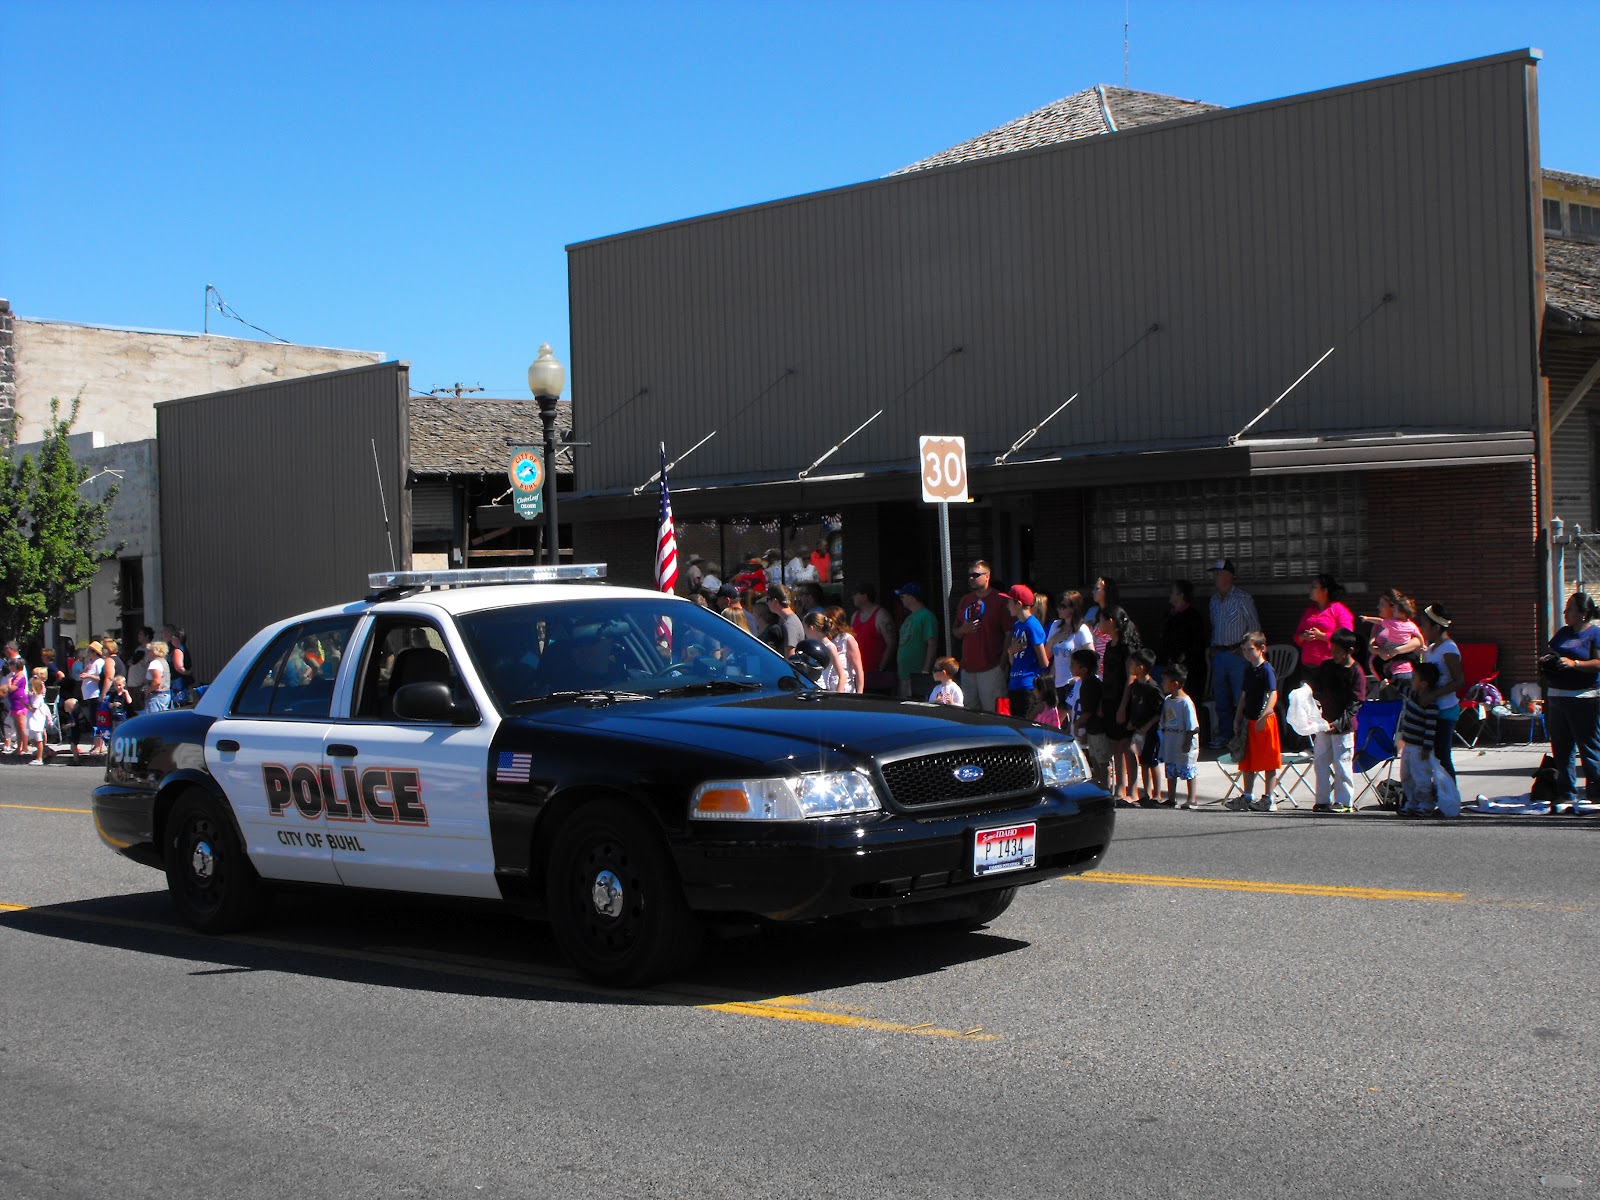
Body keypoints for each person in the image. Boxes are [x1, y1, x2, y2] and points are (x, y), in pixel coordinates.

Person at [1541, 590, 1600, 814]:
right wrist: (1548, 661)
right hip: (1557, 697)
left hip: (1584, 698)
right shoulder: (1563, 633)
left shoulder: (1595, 633)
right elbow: (1552, 651)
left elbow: (1598, 663)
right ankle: (1566, 793)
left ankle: (1596, 792)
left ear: (1583, 614)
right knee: (1562, 749)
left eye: (1570, 609)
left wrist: (1574, 664)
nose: (1565, 613)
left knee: (1589, 748)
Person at [1309, 628, 1367, 813]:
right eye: (1332, 649)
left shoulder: (1356, 672)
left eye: (1337, 651)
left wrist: (1339, 723)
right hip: (1323, 722)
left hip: (1343, 727)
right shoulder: (1327, 667)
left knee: (1342, 763)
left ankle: (1344, 801)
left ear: (1350, 650)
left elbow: (1355, 703)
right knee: (1320, 762)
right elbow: (1316, 690)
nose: (1333, 654)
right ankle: (1322, 799)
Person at [1207, 558, 1261, 749]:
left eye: (1219, 573)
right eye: (1215, 574)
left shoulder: (1242, 598)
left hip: (1238, 654)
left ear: (1228, 576)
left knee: (1241, 697)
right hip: (1220, 655)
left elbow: (1254, 626)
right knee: (1221, 698)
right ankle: (1225, 735)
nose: (1216, 577)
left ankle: (1243, 735)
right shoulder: (1214, 600)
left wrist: (1247, 650)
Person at [1229, 632, 1283, 812]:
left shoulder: (1266, 669)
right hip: (1249, 719)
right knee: (1248, 760)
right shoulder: (1249, 670)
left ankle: (1268, 798)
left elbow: (1273, 694)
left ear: (1262, 649)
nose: (1246, 653)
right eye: (1244, 650)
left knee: (1269, 760)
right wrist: (1237, 717)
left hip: (1264, 720)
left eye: (1250, 649)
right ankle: (1247, 796)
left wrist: (1264, 716)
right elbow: (1244, 696)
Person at [953, 560, 1011, 713]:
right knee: (971, 713)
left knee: (996, 713)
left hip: (992, 667)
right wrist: (963, 629)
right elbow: (955, 632)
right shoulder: (966, 600)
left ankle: (999, 738)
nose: (971, 578)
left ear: (987, 576)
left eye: (976, 575)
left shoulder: (1002, 600)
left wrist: (1002, 663)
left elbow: (1009, 633)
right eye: (970, 575)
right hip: (968, 668)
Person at [1097, 606, 1139, 803]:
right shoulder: (1109, 646)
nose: (1099, 624)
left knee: (1127, 744)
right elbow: (1107, 675)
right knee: (1115, 744)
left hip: (1125, 699)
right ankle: (1119, 787)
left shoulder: (1126, 647)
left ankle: (1133, 789)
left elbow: (1130, 679)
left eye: (1101, 620)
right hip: (1110, 698)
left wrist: (1123, 706)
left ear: (1111, 621)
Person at [1419, 604, 1464, 780]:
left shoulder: (1449, 649)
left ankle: (1451, 799)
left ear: (1436, 627)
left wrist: (1433, 695)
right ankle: (1437, 796)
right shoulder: (1430, 649)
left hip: (1446, 709)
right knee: (1431, 757)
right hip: (1431, 710)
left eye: (1424, 625)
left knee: (1442, 756)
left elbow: (1459, 681)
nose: (1422, 628)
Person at [1396, 662, 1442, 817]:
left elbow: (1430, 728)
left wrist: (1426, 748)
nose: (1411, 680)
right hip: (1408, 745)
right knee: (1406, 776)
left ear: (1423, 684)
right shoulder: (1411, 694)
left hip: (1419, 748)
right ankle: (1411, 803)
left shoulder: (1430, 705)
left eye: (1414, 678)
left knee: (1421, 777)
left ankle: (1426, 804)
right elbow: (1398, 686)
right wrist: (1387, 674)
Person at [1120, 648, 1164, 804]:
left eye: (1133, 664)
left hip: (1151, 730)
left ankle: (1157, 794)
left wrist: (1149, 724)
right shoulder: (1134, 687)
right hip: (1138, 729)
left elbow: (1160, 712)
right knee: (1143, 762)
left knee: (1152, 762)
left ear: (1141, 667)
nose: (1130, 667)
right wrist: (1132, 721)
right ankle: (1144, 794)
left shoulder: (1153, 688)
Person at [1361, 588, 1426, 693]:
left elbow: (1417, 642)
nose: (1378, 607)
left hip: (1402, 671)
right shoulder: (1379, 625)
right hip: (1386, 675)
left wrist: (1396, 651)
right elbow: (1371, 646)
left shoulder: (1404, 624)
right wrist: (1380, 652)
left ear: (1393, 607)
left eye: (1382, 604)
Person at [1294, 573, 1355, 675]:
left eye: (1314, 587)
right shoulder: (1310, 611)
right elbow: (1297, 636)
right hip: (1308, 665)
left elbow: (1346, 637)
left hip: (1331, 664)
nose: (1310, 589)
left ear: (1324, 591)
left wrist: (1321, 636)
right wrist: (1303, 636)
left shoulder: (1338, 610)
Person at [1159, 663, 1201, 808]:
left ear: (1175, 684)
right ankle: (1171, 798)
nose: (1162, 684)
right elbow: (1164, 722)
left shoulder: (1186, 703)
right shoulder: (1167, 701)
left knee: (1188, 768)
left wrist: (1187, 743)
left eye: (1165, 681)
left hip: (1184, 742)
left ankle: (1192, 798)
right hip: (1171, 741)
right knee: (1170, 769)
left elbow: (1192, 726)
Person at [1004, 584, 1049, 718]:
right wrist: (1010, 652)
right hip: (1014, 683)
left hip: (1028, 686)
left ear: (1018, 604)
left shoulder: (1032, 625)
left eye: (1009, 602)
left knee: (1026, 725)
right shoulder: (1017, 625)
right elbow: (1014, 661)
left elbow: (1044, 662)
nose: (1007, 605)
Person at [1156, 580, 1207, 693]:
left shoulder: (1193, 616)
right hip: (1170, 667)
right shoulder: (1168, 616)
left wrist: (1184, 657)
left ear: (1180, 595)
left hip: (1189, 670)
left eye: (1172, 592)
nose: (1169, 594)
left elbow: (1197, 643)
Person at [1069, 647, 1108, 789]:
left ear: (1084, 669)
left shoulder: (1090, 684)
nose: (1070, 667)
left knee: (1102, 761)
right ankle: (1098, 786)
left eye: (1073, 664)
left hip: (1098, 728)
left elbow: (1089, 712)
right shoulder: (1084, 684)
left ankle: (1104, 787)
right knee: (1093, 758)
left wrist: (1078, 724)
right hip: (1092, 728)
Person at [893, 583, 938, 699]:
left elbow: (932, 644)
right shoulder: (909, 617)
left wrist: (925, 670)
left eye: (903, 596)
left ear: (911, 597)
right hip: (903, 673)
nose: (901, 599)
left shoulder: (927, 616)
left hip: (917, 674)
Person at [849, 583, 896, 691]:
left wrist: (881, 667)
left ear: (865, 596)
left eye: (855, 594)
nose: (853, 597)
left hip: (877, 676)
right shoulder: (855, 616)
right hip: (860, 672)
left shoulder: (881, 615)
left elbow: (891, 643)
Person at [802, 610, 851, 689]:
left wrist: (837, 696)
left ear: (811, 628)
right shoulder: (810, 645)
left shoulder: (829, 647)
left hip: (824, 689)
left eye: (804, 628)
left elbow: (842, 676)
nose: (804, 632)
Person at [822, 605, 864, 693]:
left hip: (845, 690)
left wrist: (859, 694)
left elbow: (858, 670)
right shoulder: (825, 639)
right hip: (827, 689)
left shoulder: (847, 639)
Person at [763, 584, 805, 658]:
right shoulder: (785, 620)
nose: (767, 603)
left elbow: (790, 657)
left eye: (768, 599)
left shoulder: (789, 624)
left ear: (775, 601)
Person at [144, 640, 173, 712]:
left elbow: (157, 681)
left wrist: (147, 691)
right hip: (165, 694)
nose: (148, 653)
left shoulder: (155, 663)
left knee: (152, 719)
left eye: (150, 651)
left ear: (155, 652)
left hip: (156, 696)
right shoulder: (164, 661)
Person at [26, 675, 49, 765]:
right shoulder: (33, 696)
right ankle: (43, 751)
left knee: (38, 739)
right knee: (31, 739)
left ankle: (39, 758)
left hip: (37, 719)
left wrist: (25, 704)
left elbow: (33, 709)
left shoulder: (38, 697)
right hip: (32, 719)